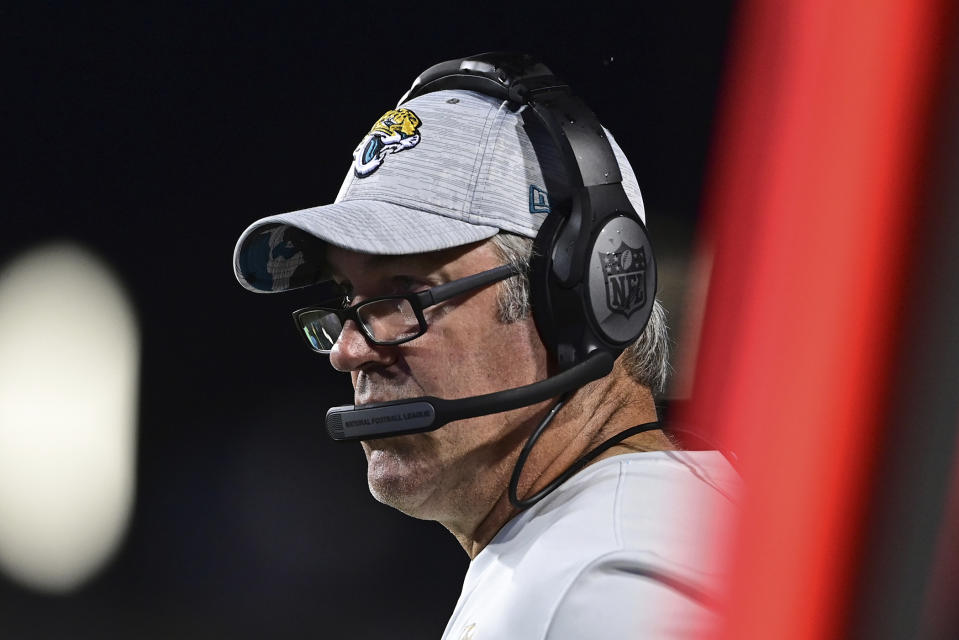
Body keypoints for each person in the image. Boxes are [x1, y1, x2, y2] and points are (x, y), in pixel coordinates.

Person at [233, 55, 739, 639]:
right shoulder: (597, 541)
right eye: (347, 297)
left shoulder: (602, 588)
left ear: (578, 299)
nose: (347, 351)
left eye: (404, 296)